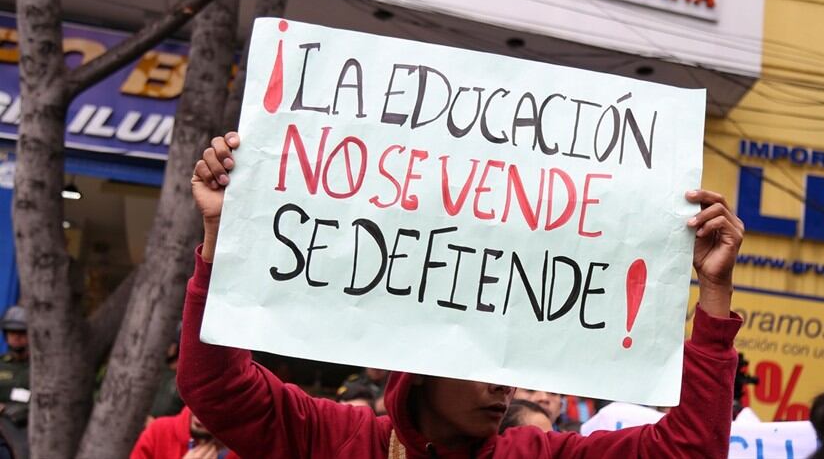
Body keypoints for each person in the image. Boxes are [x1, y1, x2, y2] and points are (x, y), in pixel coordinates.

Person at [178, 132, 745, 458]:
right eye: (481, 360)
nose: (503, 384)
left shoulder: (535, 453)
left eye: (509, 363)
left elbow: (689, 450)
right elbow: (216, 388)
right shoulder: (341, 441)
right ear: (424, 365)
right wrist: (222, 239)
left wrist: (714, 293)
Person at [130, 406, 240, 459]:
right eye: (198, 400)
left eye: (214, 408)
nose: (200, 414)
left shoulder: (240, 452)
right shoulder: (160, 430)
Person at [0, 306, 29, 428]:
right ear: (6, 336)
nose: (16, 337)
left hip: (30, 425)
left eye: (21, 333)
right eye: (12, 332)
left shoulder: (41, 368)